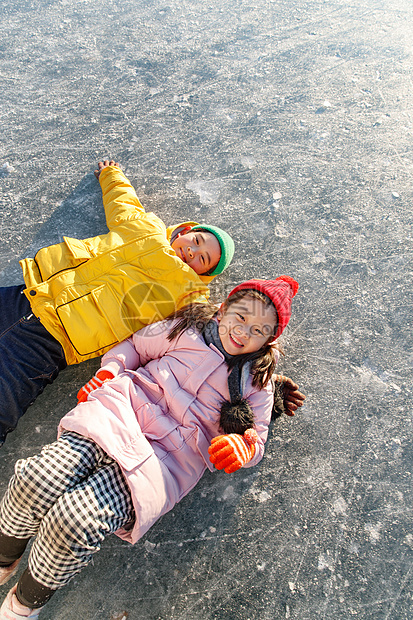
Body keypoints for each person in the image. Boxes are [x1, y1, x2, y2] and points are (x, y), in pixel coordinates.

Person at [0, 276, 302, 618]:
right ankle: (3, 558)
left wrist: (240, 448)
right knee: (37, 479)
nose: (245, 332)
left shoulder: (257, 382)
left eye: (259, 330)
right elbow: (136, 347)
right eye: (242, 317)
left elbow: (255, 437)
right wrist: (110, 370)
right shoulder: (186, 328)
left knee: (74, 519)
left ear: (268, 340)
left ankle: (25, 601)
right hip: (120, 411)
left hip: (164, 460)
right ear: (224, 309)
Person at [0, 160, 235, 446]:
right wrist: (112, 174)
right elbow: (123, 202)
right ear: (184, 231)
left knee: (5, 399)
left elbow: (217, 330)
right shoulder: (146, 228)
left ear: (205, 274)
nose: (192, 251)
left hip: (55, 341)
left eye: (203, 258)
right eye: (196, 240)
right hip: (33, 294)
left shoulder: (189, 295)